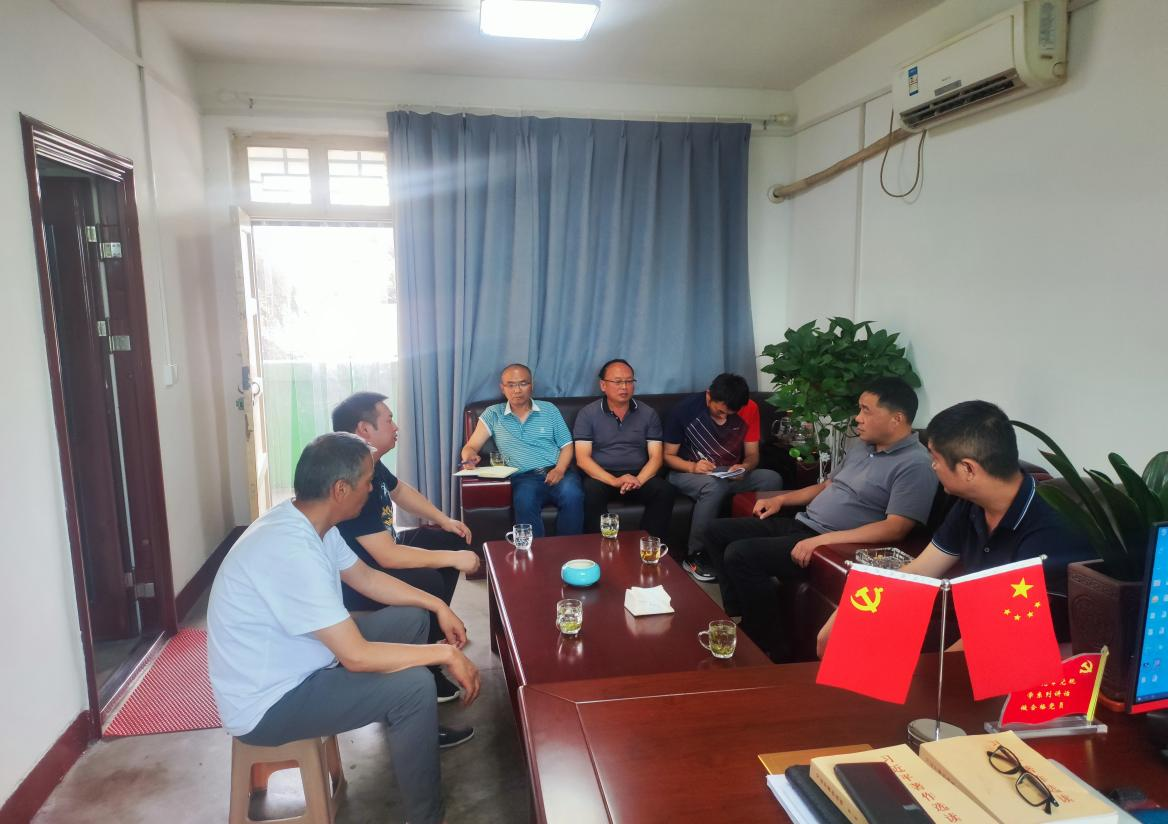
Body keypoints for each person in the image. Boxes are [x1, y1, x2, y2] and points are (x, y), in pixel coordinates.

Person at [207, 433, 481, 824]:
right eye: (368, 481)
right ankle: (426, 817)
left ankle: (407, 731)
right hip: (271, 703)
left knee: (413, 618)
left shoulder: (313, 522)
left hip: (306, 661)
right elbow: (356, 656)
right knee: (415, 688)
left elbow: (365, 577)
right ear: (340, 489)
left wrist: (436, 605)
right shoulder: (290, 548)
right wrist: (445, 652)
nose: (372, 489)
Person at [815, 400, 1095, 657]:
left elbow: (1005, 631)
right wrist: (852, 609)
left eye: (935, 459)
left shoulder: (1051, 528)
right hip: (989, 636)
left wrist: (928, 674)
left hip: (1040, 655)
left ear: (968, 469)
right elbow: (918, 571)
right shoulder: (970, 506)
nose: (932, 467)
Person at [709, 377, 937, 662]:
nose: (858, 418)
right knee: (716, 531)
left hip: (831, 541)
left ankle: (769, 646)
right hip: (805, 522)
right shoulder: (863, 446)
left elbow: (896, 528)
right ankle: (739, 615)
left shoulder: (915, 464)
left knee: (741, 554)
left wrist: (822, 541)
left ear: (897, 419)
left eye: (866, 410)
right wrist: (781, 500)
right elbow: (827, 485)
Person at [332, 391, 478, 703]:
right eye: (389, 420)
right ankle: (426, 666)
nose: (396, 426)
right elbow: (387, 557)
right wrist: (454, 559)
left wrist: (444, 519)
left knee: (449, 538)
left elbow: (400, 491)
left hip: (381, 552)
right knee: (430, 578)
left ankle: (435, 633)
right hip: (357, 578)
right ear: (364, 429)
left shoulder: (371, 462)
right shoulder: (352, 480)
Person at [663, 372, 784, 583]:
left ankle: (753, 548)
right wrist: (693, 466)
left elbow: (753, 455)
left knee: (771, 479)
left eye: (730, 414)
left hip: (728, 474)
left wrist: (745, 467)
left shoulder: (750, 408)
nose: (723, 418)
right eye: (719, 411)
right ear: (709, 395)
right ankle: (695, 555)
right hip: (686, 473)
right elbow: (668, 457)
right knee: (715, 486)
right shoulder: (684, 410)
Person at [459, 363, 584, 537]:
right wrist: (470, 457)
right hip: (525, 477)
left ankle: (569, 548)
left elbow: (567, 445)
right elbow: (470, 447)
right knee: (524, 500)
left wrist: (560, 469)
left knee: (573, 494)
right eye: (511, 385)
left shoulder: (549, 409)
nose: (517, 390)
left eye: (523, 384)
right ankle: (533, 550)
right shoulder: (493, 414)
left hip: (557, 471)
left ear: (531, 385)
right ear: (502, 388)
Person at [573, 359, 675, 539]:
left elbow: (656, 457)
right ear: (603, 385)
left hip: (638, 475)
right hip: (602, 476)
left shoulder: (648, 413)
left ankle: (648, 545)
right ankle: (599, 547)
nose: (624, 387)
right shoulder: (587, 414)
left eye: (629, 381)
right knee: (591, 490)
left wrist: (637, 480)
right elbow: (582, 459)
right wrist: (615, 481)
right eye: (618, 382)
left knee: (664, 490)